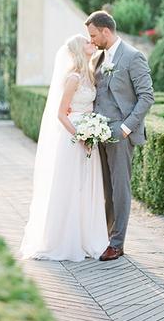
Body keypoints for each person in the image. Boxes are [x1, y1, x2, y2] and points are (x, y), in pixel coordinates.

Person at [20, 34, 108, 261]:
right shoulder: (73, 78)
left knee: (86, 186)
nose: (92, 43)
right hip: (73, 139)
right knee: (71, 186)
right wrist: (80, 135)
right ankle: (64, 240)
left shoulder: (90, 73)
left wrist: (93, 131)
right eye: (87, 42)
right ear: (80, 49)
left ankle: (86, 237)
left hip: (89, 136)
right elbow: (61, 114)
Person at [85, 11, 155, 261]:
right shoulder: (97, 58)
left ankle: (117, 243)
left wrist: (126, 128)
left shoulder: (133, 57)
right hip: (98, 133)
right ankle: (105, 237)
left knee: (120, 189)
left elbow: (147, 96)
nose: (91, 40)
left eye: (93, 35)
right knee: (104, 188)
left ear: (106, 31)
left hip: (120, 133)